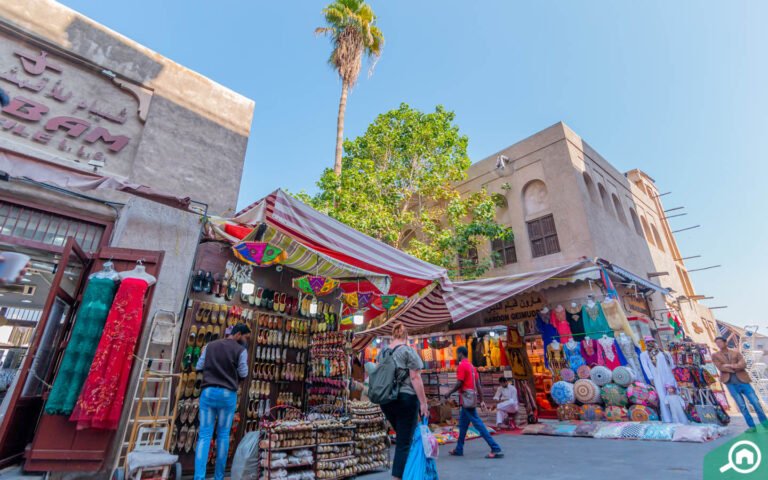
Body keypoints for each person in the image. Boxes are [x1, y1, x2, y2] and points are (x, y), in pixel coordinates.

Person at [194, 323, 251, 480]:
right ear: (238, 334)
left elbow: (199, 366)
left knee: (204, 435)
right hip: (227, 395)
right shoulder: (241, 351)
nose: (246, 341)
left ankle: (199, 477)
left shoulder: (210, 346)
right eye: (246, 337)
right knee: (224, 435)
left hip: (208, 392)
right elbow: (244, 373)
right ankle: (219, 477)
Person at [377, 322, 429, 480]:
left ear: (393, 335)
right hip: (405, 399)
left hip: (386, 401)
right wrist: (424, 403)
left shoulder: (382, 352)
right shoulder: (408, 351)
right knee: (404, 443)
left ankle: (409, 473)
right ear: (406, 336)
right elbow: (415, 377)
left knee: (403, 437)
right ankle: (398, 477)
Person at [445, 346, 504, 458]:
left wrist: (449, 392)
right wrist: (482, 400)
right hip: (470, 399)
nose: (456, 357)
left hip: (466, 400)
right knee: (463, 426)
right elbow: (478, 385)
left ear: (461, 354)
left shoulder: (462, 365)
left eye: (457, 354)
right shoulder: (472, 367)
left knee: (479, 425)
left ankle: (495, 448)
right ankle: (459, 449)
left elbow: (459, 383)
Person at [713, 336, 768, 432]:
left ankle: (765, 424)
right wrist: (735, 366)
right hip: (730, 383)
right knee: (741, 406)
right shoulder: (715, 355)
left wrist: (729, 365)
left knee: (755, 402)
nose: (718, 344)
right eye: (717, 343)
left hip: (743, 381)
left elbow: (743, 365)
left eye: (720, 342)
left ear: (725, 342)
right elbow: (721, 367)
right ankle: (752, 426)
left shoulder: (736, 352)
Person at [639, 336, 677, 423]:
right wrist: (650, 377)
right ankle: (667, 418)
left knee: (672, 393)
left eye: (652, 341)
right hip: (656, 376)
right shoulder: (644, 354)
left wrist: (673, 372)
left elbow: (671, 363)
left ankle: (676, 415)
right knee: (662, 395)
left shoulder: (663, 352)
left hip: (668, 374)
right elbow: (645, 366)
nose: (650, 343)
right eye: (648, 342)